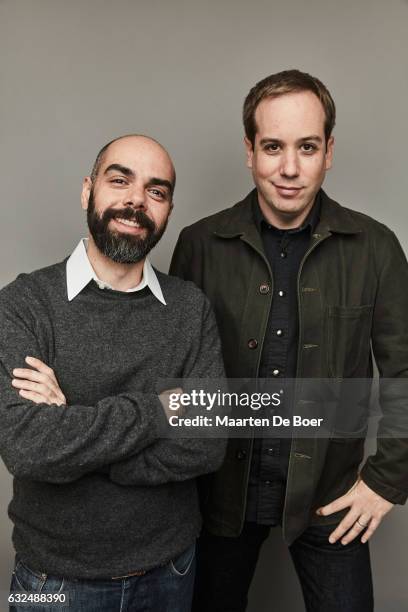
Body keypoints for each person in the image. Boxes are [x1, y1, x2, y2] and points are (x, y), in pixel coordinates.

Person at [169, 70, 408, 611]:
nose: (290, 168)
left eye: (307, 146)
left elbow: (405, 372)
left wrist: (386, 481)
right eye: (273, 147)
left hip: (331, 496)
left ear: (329, 151)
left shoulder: (377, 247)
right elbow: (174, 367)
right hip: (218, 497)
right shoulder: (199, 244)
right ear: (249, 151)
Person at [0, 134, 226, 612]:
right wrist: (162, 408)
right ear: (88, 190)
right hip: (51, 579)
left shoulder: (190, 309)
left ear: (167, 210)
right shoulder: (22, 305)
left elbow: (207, 444)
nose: (135, 200)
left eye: (156, 191)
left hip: (171, 570)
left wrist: (74, 422)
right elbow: (28, 448)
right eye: (119, 180)